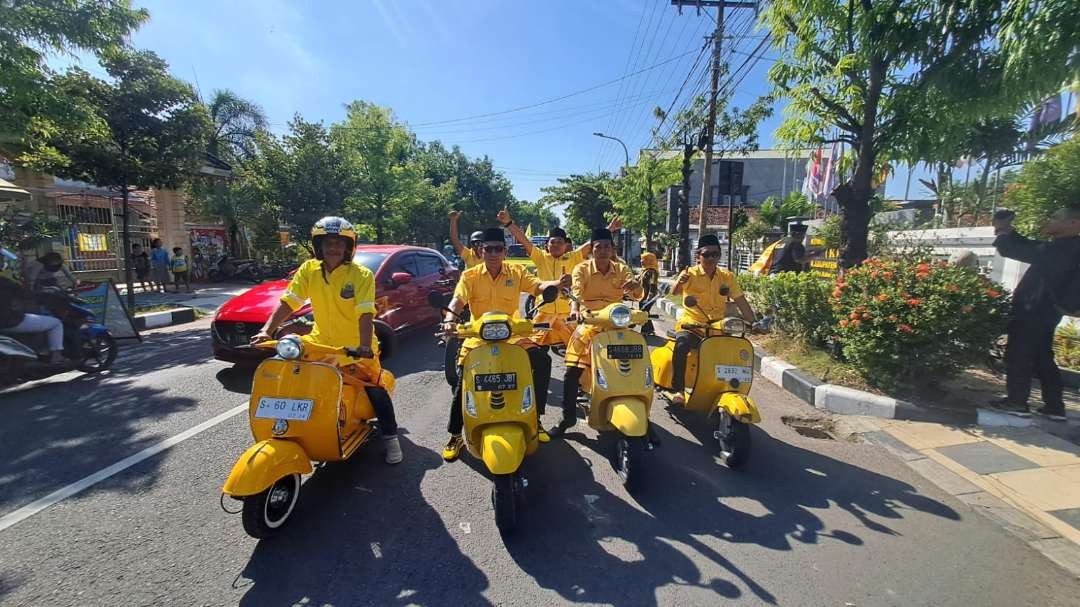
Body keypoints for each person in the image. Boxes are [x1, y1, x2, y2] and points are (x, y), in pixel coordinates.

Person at [252, 216, 403, 464]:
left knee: (374, 389)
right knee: (292, 380)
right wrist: (267, 331)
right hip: (318, 343)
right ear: (318, 245)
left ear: (348, 247)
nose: (333, 247)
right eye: (328, 242)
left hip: (354, 347)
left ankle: (391, 438)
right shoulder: (308, 269)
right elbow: (289, 302)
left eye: (339, 243)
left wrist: (364, 347)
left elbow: (365, 312)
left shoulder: (361, 275)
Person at [439, 227, 569, 461]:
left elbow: (537, 286)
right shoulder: (469, 276)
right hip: (478, 336)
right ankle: (455, 434)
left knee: (542, 360)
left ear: (505, 251)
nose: (493, 253)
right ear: (481, 250)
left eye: (498, 249)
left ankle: (536, 420)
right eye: (488, 249)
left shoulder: (517, 272)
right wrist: (450, 321)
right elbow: (458, 300)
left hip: (512, 335)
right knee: (462, 378)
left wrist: (555, 284)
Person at [988, 207, 1080, 421]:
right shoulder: (1065, 247)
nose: (1050, 219)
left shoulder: (1067, 248)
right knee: (1042, 356)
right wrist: (1008, 232)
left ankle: (1017, 402)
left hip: (1035, 310)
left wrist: (1003, 231)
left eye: (1056, 217)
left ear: (1074, 224)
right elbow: (1034, 248)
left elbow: (1025, 250)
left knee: (1020, 353)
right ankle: (1054, 407)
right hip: (1045, 311)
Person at [551, 228, 644, 436]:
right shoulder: (581, 269)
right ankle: (567, 418)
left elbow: (636, 294)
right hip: (589, 322)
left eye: (606, 246)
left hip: (617, 324)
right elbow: (575, 291)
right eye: (598, 247)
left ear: (612, 249)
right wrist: (575, 309)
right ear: (592, 250)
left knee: (636, 365)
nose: (602, 250)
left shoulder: (622, 269)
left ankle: (643, 417)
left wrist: (636, 286)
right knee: (571, 371)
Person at [501, 208, 622, 348]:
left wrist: (610, 229)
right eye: (552, 242)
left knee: (578, 348)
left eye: (559, 242)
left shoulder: (573, 257)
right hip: (544, 314)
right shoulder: (540, 257)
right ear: (547, 245)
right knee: (533, 349)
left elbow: (592, 244)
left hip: (567, 315)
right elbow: (523, 240)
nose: (556, 245)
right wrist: (509, 223)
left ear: (566, 245)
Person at [664, 234, 757, 405]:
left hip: (718, 327)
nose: (711, 258)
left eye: (715, 254)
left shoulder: (727, 276)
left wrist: (754, 322)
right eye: (706, 254)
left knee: (733, 352)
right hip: (692, 325)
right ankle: (678, 389)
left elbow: (740, 300)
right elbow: (675, 293)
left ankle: (725, 387)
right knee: (682, 344)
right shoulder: (689, 274)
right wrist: (680, 282)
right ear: (698, 256)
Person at [1, 267, 65, 363]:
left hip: (6, 321)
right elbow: (27, 294)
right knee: (56, 323)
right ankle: (57, 356)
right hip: (9, 321)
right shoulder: (5, 282)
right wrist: (44, 292)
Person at [638, 242, 661, 336]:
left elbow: (653, 284)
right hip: (644, 295)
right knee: (645, 312)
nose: (641, 261)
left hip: (649, 296)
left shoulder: (652, 271)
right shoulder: (646, 270)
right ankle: (649, 329)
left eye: (643, 259)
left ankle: (645, 330)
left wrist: (649, 298)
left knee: (644, 311)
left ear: (649, 260)